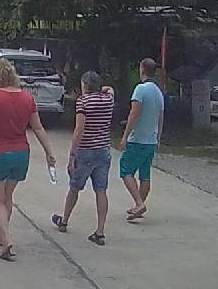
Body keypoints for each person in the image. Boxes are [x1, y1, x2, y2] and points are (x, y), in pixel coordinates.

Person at [0, 59, 57, 261]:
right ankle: (0, 235)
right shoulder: (27, 98)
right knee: (7, 196)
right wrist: (48, 152)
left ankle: (6, 241)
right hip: (20, 154)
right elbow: (38, 127)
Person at [52, 71, 115, 246]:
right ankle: (100, 231)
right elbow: (110, 89)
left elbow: (79, 128)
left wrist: (72, 153)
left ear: (85, 85)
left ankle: (64, 221)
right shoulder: (108, 100)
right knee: (101, 190)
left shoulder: (83, 101)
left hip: (85, 150)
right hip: (103, 149)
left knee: (74, 187)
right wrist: (101, 89)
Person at [120, 58, 165, 220]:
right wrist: (158, 137)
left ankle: (139, 203)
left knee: (126, 170)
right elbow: (160, 117)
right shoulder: (158, 92)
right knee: (145, 174)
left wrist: (125, 136)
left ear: (142, 70)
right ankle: (138, 205)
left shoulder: (140, 89)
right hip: (151, 140)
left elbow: (134, 113)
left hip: (138, 139)